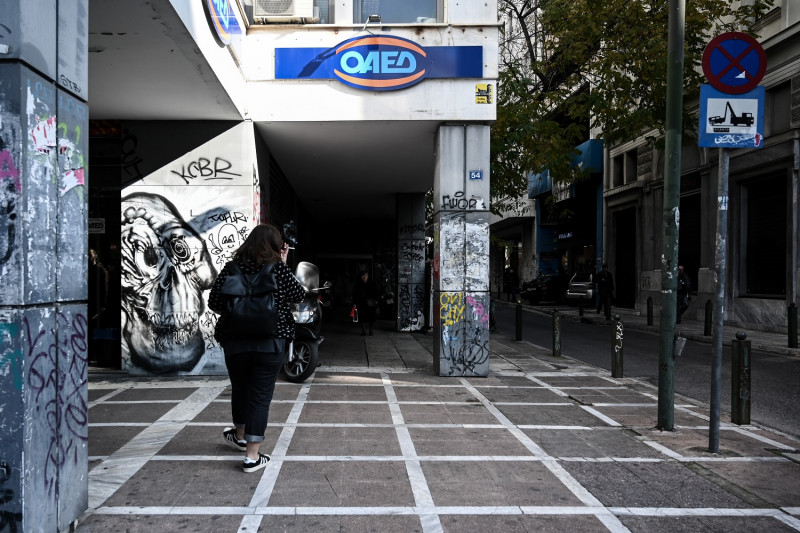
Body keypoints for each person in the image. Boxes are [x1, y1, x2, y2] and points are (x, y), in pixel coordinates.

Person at [208, 224, 306, 473]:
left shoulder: (232, 268)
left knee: (241, 389)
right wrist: (282, 263)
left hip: (235, 342)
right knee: (260, 397)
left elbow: (214, 303)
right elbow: (298, 295)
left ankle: (240, 436)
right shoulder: (278, 269)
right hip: (269, 342)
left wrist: (240, 309)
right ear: (276, 246)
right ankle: (252, 457)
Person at [352, 270, 379, 336]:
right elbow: (355, 294)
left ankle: (370, 330)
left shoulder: (372, 283)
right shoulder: (358, 284)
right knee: (362, 317)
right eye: (363, 276)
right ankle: (363, 331)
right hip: (361, 303)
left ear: (367, 276)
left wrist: (376, 300)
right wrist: (355, 302)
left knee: (371, 317)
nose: (364, 277)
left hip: (371, 303)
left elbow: (376, 292)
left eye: (366, 275)